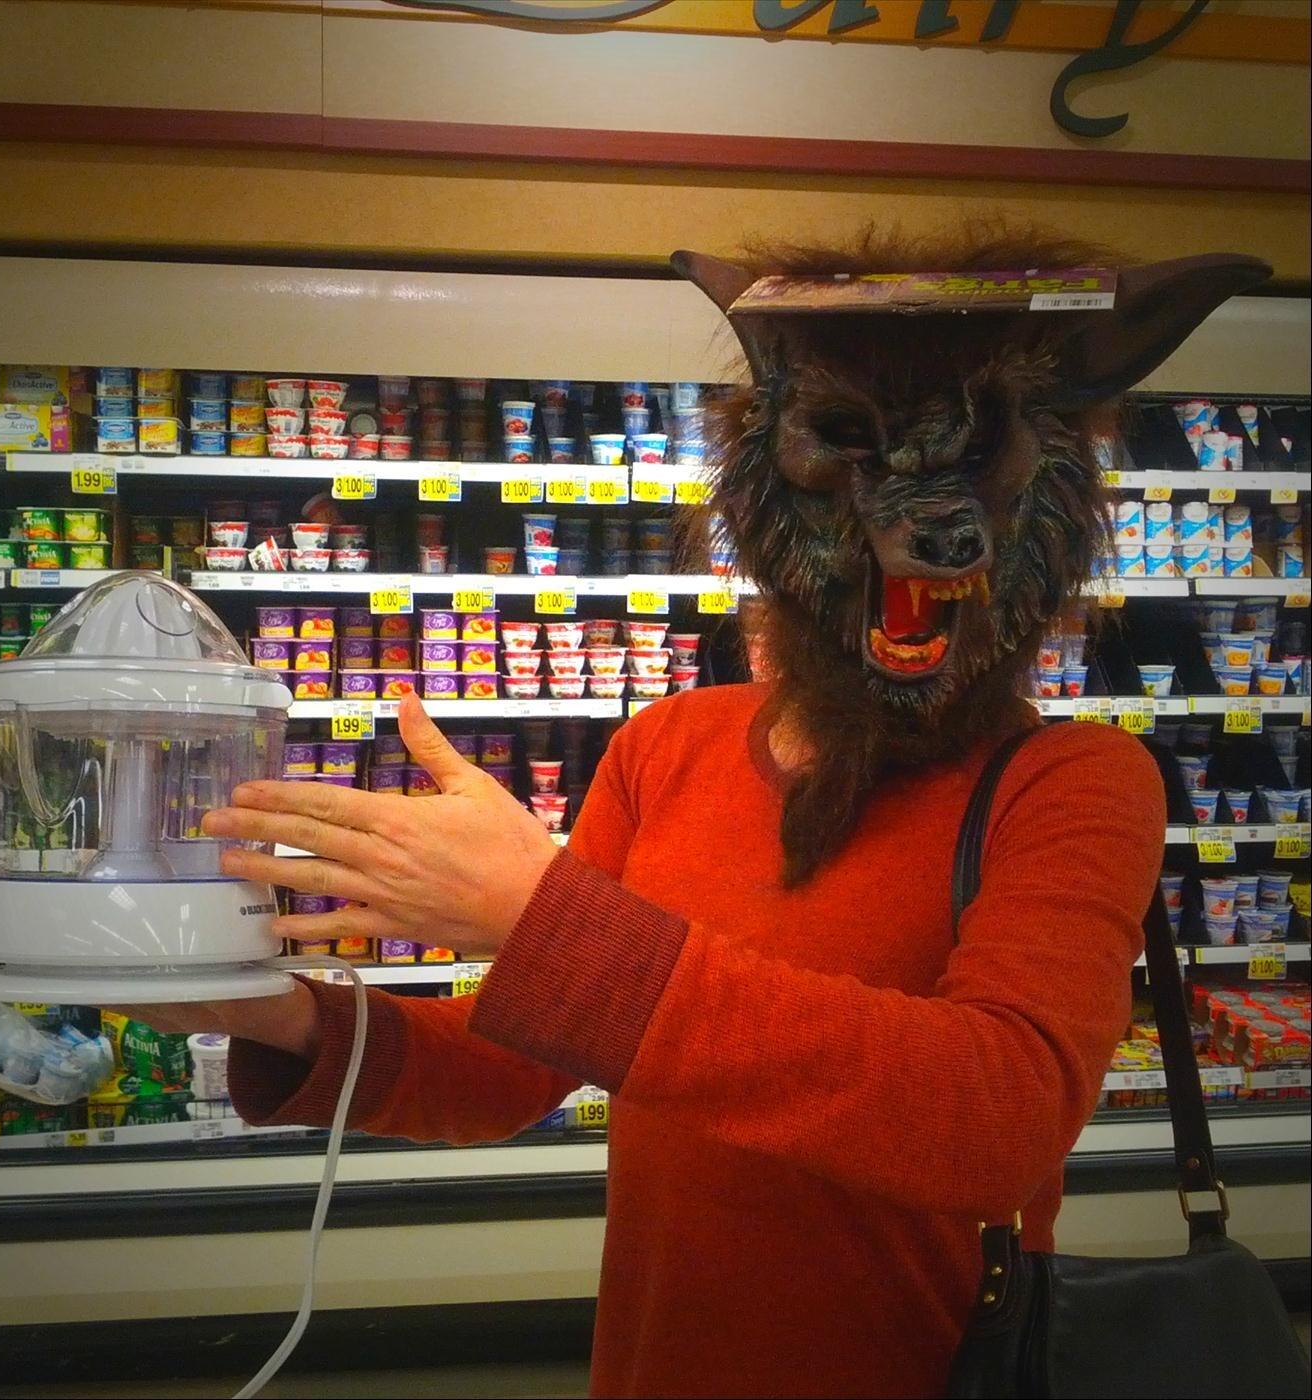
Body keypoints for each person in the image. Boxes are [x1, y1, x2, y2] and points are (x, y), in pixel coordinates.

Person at [131, 230, 1268, 1397]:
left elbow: (995, 1119)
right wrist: (280, 1016)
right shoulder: (666, 747)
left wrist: (544, 921)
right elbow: (510, 1069)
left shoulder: (1071, 781)